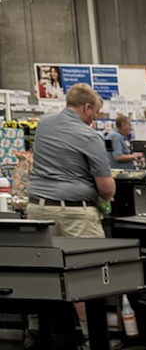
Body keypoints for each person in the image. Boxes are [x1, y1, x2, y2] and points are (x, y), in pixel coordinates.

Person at [26, 83, 115, 236]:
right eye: (96, 112)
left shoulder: (43, 124)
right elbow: (106, 189)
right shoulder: (90, 136)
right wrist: (107, 197)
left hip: (38, 210)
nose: (95, 117)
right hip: (75, 215)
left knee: (45, 252)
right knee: (88, 252)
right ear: (87, 108)